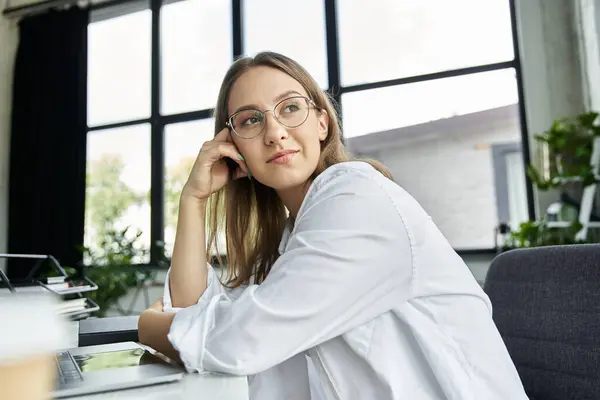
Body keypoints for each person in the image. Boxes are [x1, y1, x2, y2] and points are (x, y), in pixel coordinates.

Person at [138, 51, 528, 400]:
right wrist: (193, 201)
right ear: (235, 147)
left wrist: (149, 327)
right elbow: (196, 316)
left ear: (322, 123)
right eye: (251, 120)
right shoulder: (295, 237)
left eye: (290, 108)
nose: (274, 132)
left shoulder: (356, 198)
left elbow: (240, 340)